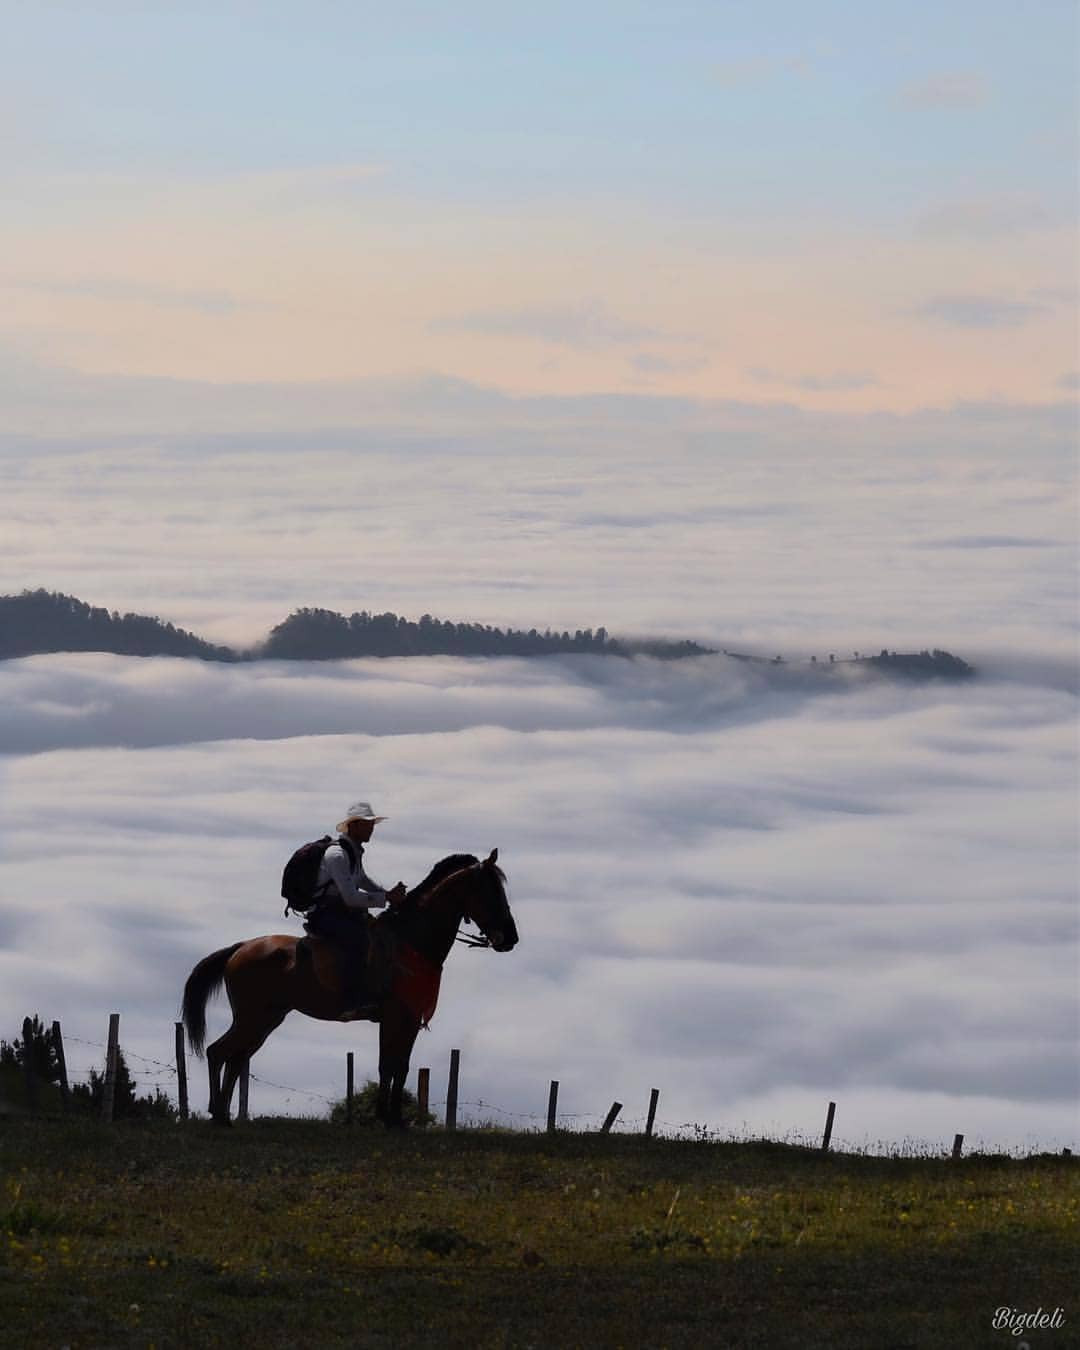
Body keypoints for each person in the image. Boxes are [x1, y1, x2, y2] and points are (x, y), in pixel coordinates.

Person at [307, 802, 407, 1014]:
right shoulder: (337, 855)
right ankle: (351, 1000)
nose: (371, 828)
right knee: (359, 940)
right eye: (367, 824)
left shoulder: (352, 853)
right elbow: (351, 898)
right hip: (325, 914)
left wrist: (389, 896)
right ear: (353, 826)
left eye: (372, 824)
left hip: (340, 912)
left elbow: (363, 881)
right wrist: (386, 897)